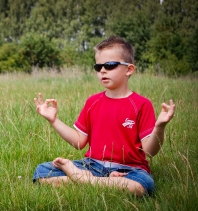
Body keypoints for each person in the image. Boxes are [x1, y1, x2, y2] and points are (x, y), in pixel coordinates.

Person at [32, 36, 176, 197]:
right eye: (98, 66)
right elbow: (79, 142)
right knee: (41, 172)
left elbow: (149, 151)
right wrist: (53, 120)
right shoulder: (93, 102)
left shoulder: (141, 104)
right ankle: (96, 181)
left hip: (129, 169)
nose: (102, 70)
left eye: (110, 65)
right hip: (92, 165)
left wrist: (160, 127)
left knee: (143, 186)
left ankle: (82, 180)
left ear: (129, 69)